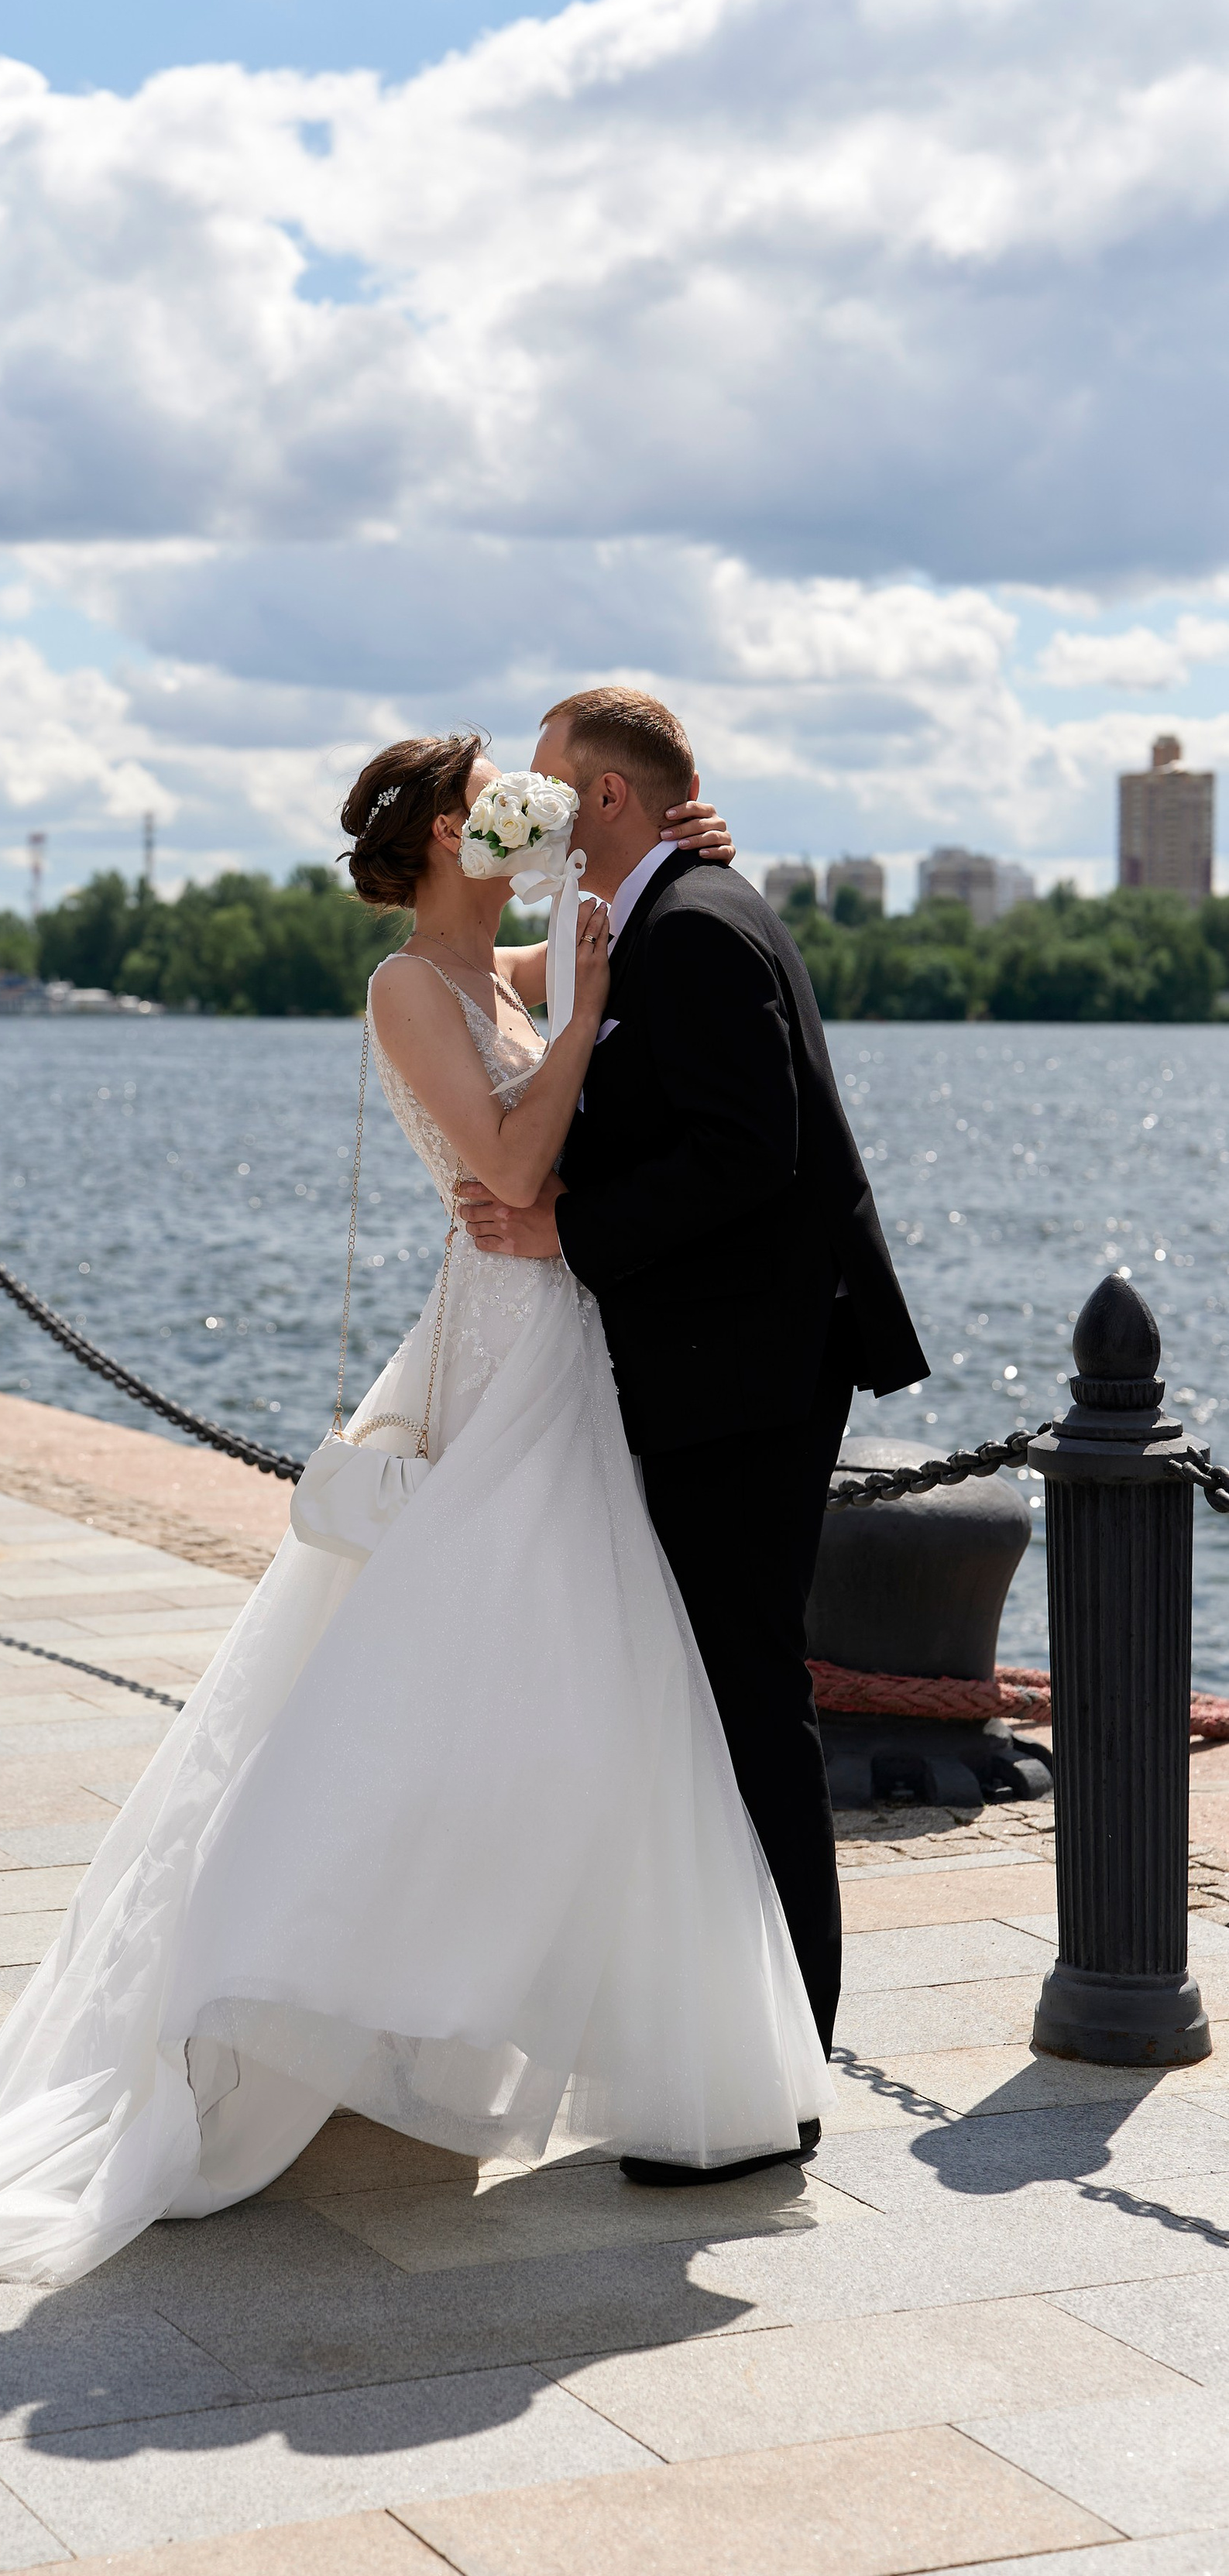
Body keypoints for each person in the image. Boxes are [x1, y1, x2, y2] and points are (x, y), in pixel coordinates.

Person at [0, 733, 833, 2290]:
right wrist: (584, 1020)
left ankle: (539, 2007)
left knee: (576, 1681)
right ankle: (317, 1975)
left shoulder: (504, 967)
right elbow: (513, 1159)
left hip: (558, 1337)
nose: (517, 817)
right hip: (507, 1334)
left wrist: (682, 846)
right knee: (462, 1672)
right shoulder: (409, 990)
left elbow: (617, 922)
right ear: (439, 839)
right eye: (492, 802)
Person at [458, 689, 929, 2128]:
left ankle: (785, 2069)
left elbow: (750, 1150)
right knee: (720, 1697)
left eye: (550, 784)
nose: (532, 808)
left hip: (745, 1374)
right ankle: (745, 2046)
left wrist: (568, 1229)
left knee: (748, 1699)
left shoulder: (699, 925)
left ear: (608, 798)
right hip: (723, 1362)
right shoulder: (654, 912)